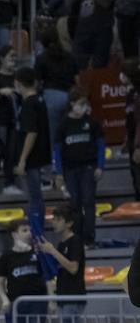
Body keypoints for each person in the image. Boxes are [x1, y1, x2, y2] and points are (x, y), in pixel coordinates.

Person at [40, 205, 87, 323]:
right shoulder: (61, 243)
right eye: (54, 219)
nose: (54, 223)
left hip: (73, 296)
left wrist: (53, 252)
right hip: (63, 296)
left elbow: (73, 268)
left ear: (69, 223)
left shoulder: (75, 241)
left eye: (58, 220)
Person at [57, 87, 106, 246]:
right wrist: (58, 172)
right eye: (81, 104)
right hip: (70, 169)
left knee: (88, 201)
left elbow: (100, 145)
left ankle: (89, 238)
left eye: (85, 104)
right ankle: (77, 238)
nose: (84, 107)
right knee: (75, 203)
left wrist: (100, 166)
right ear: (72, 104)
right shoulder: (63, 124)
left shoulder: (92, 123)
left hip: (88, 167)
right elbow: (57, 151)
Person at [12, 68, 52, 243]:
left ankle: (37, 235)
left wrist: (22, 160)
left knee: (34, 199)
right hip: (41, 156)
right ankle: (38, 233)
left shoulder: (29, 103)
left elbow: (31, 132)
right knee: (36, 198)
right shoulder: (39, 100)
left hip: (33, 159)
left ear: (18, 83)